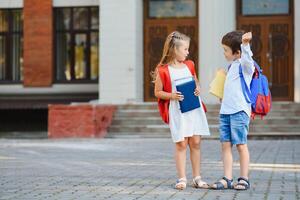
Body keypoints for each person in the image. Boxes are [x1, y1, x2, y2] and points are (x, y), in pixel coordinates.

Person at [152, 31, 210, 190]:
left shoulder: (190, 64)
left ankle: (197, 178)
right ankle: (182, 178)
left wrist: (198, 88)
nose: (188, 52)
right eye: (185, 49)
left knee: (196, 142)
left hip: (194, 108)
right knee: (181, 144)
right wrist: (171, 95)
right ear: (174, 50)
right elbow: (157, 92)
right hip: (177, 110)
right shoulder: (163, 70)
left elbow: (195, 81)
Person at [210, 31, 254, 190]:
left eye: (226, 50)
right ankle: (227, 178)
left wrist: (246, 45)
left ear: (237, 52)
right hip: (225, 112)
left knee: (241, 145)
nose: (224, 53)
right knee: (225, 145)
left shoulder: (245, 66)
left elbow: (248, 59)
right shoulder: (231, 67)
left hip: (239, 112)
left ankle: (244, 178)